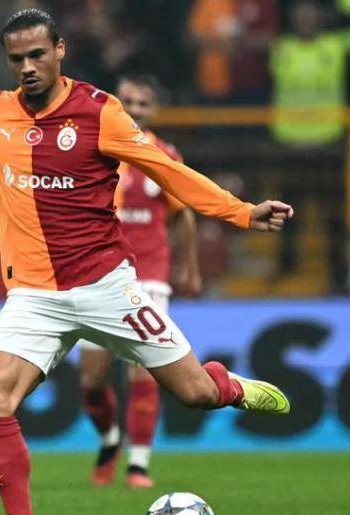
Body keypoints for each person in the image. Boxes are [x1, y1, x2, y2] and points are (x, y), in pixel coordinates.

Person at [0, 10, 293, 515]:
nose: (27, 67)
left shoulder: (100, 112)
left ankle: (226, 384)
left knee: (195, 393)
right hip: (33, 297)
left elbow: (168, 171)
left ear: (60, 50)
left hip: (106, 286)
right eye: (16, 58)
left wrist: (241, 212)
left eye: (37, 55)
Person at [76, 74, 201, 490]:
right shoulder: (94, 149)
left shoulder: (164, 155)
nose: (133, 109)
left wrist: (189, 268)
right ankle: (111, 439)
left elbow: (183, 215)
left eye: (142, 103)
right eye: (127, 101)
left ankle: (139, 465)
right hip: (97, 274)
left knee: (144, 372)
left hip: (148, 275)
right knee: (92, 382)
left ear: (154, 110)